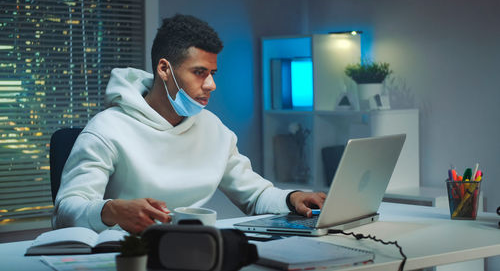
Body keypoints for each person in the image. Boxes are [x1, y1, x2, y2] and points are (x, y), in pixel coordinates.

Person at [53, 14, 326, 234]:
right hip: (125, 253)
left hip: (194, 250)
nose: (211, 85)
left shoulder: (214, 130)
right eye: (199, 73)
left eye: (212, 73)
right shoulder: (107, 129)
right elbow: (67, 210)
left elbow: (255, 195)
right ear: (164, 69)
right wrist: (112, 210)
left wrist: (293, 198)